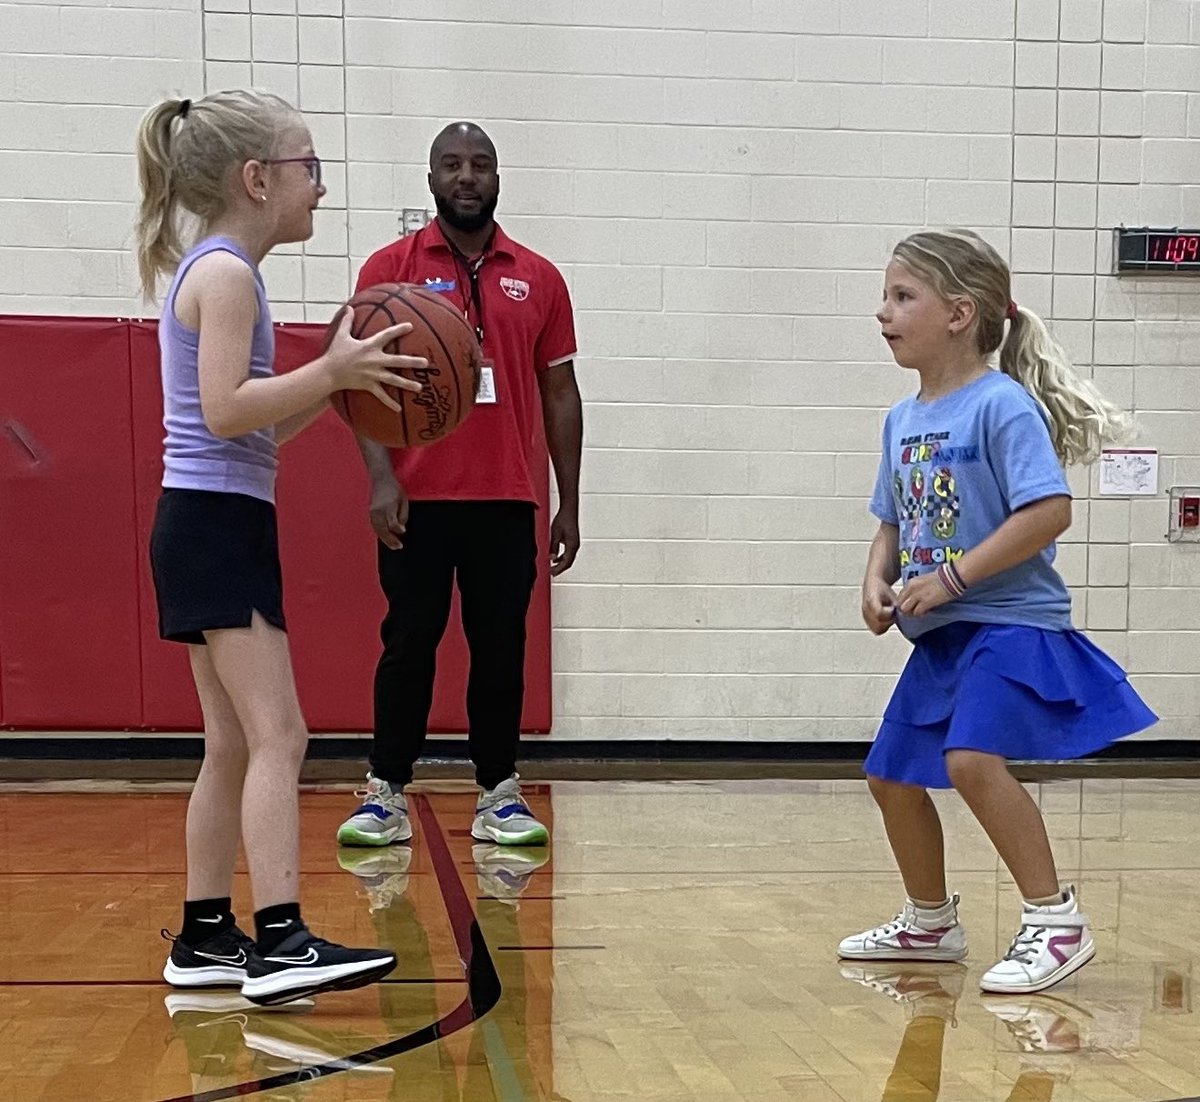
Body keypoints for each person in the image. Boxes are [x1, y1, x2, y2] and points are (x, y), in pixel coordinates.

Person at [135, 88, 427, 1004]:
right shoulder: (226, 276)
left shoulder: (216, 268)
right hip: (216, 527)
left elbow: (249, 430)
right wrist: (329, 370)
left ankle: (208, 936)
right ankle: (284, 941)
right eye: (310, 168)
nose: (322, 188)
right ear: (257, 179)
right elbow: (226, 412)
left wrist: (336, 387)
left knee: (229, 742)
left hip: (204, 521)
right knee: (280, 735)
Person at [838, 229, 1156, 995]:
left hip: (1009, 622)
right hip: (942, 635)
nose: (883, 312)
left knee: (971, 761)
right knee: (889, 776)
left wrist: (950, 579)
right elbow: (891, 519)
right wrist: (875, 580)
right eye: (885, 296)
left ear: (959, 312)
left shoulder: (1001, 405)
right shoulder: (901, 418)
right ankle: (930, 921)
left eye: (902, 296)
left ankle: (1055, 921)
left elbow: (1048, 512)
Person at [336, 121, 582, 851]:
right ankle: (385, 789)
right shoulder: (389, 267)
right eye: (452, 165)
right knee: (409, 643)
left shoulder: (538, 276)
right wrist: (380, 477)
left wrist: (569, 500)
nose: (466, 176)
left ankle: (498, 791)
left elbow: (561, 392)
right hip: (416, 497)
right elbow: (356, 382)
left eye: (480, 165)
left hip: (506, 497)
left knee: (500, 647)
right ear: (431, 179)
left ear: (498, 178)